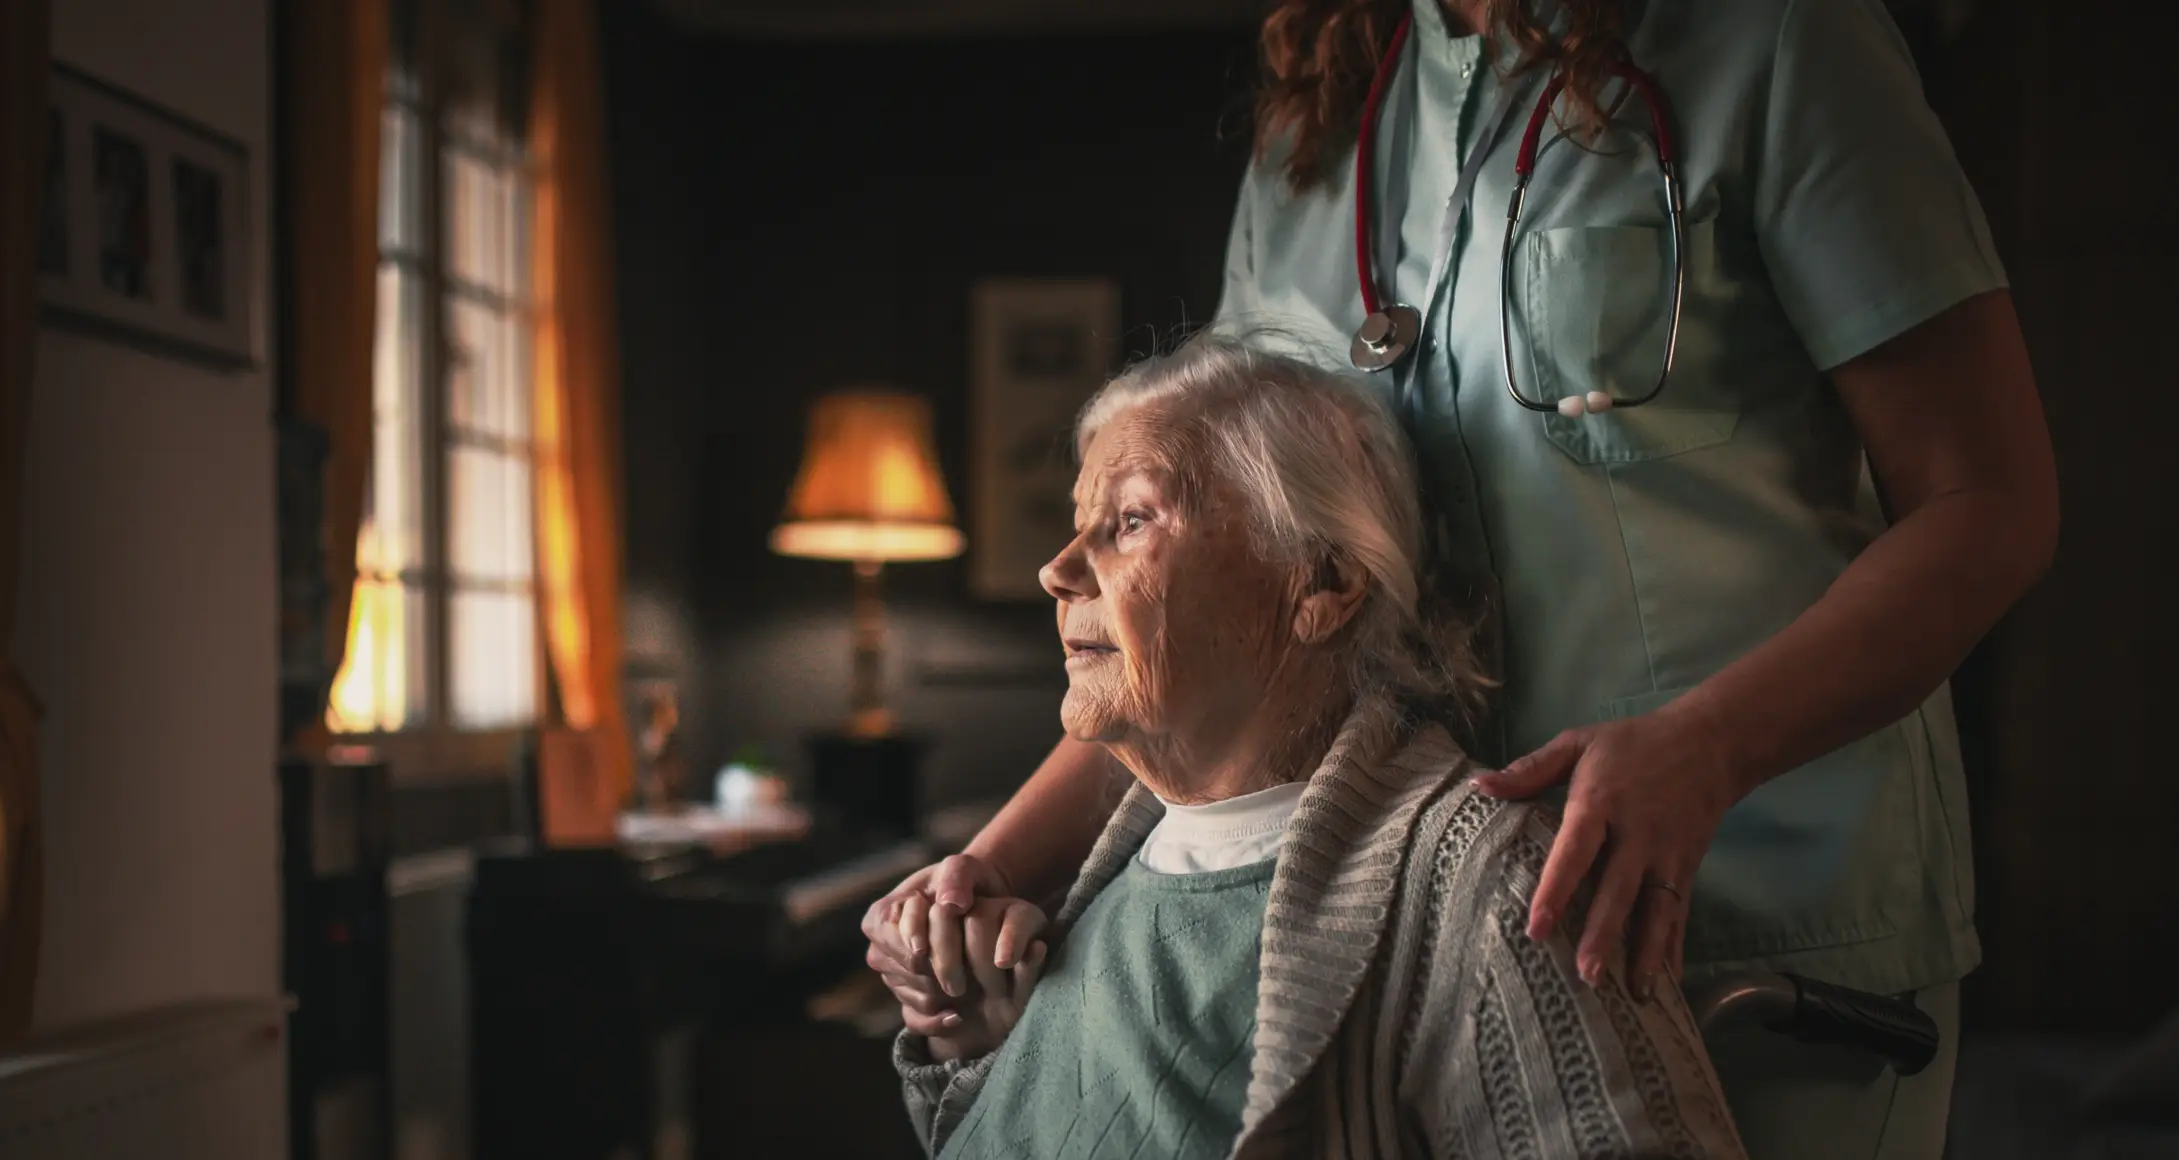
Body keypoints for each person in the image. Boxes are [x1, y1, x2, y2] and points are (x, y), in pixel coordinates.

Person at [869, 0, 2058, 1155]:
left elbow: (1987, 505)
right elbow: (1195, 611)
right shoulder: (1316, 133)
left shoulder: (1780, 40)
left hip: (1762, 921)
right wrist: (988, 864)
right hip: (1410, 944)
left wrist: (1710, 747)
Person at [883, 336, 1746, 1160]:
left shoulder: (1494, 889)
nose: (1059, 571)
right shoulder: (1118, 861)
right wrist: (988, 1043)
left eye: (1133, 520)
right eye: (1080, 525)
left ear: (1321, 584)